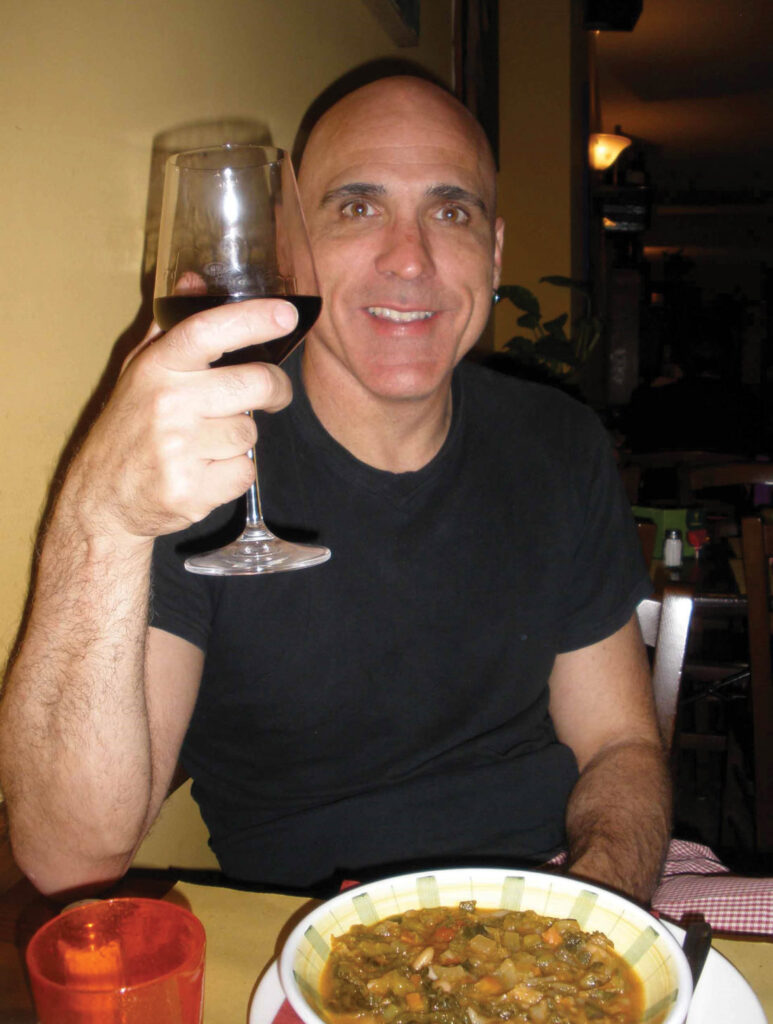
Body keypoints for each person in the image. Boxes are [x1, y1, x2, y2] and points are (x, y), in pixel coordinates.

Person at [0, 76, 668, 903]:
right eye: (358, 207)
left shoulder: (557, 441)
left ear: (492, 255)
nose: (409, 257)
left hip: (561, 887)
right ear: (293, 247)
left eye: (449, 211)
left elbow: (618, 746)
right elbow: (70, 855)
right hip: (314, 935)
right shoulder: (200, 462)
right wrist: (101, 517)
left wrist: (596, 908)